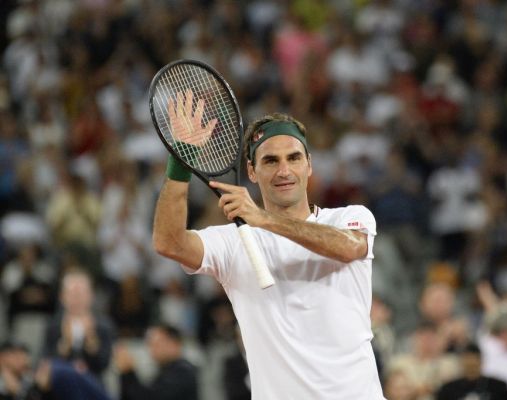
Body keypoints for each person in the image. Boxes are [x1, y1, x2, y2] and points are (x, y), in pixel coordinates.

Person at [152, 93, 385, 399]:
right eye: (270, 161)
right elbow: (168, 242)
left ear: (309, 165)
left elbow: (349, 248)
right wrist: (181, 159)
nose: (284, 170)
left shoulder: (350, 217)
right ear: (251, 171)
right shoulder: (232, 243)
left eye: (294, 158)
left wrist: (262, 219)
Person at [42, 269, 114, 378]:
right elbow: (45, 362)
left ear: (91, 296)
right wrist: (65, 344)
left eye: (81, 293)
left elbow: (105, 364)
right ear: (62, 297)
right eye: (72, 294)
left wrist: (91, 341)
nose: (77, 299)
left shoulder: (104, 326)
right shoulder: (53, 325)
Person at [113, 323, 198, 400]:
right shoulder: (166, 369)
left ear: (174, 344)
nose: (152, 350)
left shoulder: (182, 371)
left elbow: (152, 397)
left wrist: (129, 372)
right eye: (150, 345)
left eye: (157, 344)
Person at [436, 343, 507, 400]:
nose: (471, 368)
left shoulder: (498, 387)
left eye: (474, 365)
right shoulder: (448, 390)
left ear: (481, 362)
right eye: (468, 365)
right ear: (461, 363)